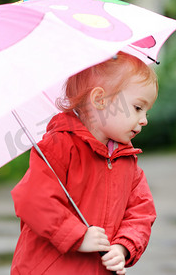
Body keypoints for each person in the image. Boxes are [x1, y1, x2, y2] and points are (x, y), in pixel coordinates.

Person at [11, 52, 157, 274]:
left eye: (146, 111)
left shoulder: (128, 163)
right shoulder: (59, 146)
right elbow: (33, 199)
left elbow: (141, 212)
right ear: (100, 100)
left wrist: (122, 246)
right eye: (138, 107)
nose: (145, 119)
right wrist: (76, 235)